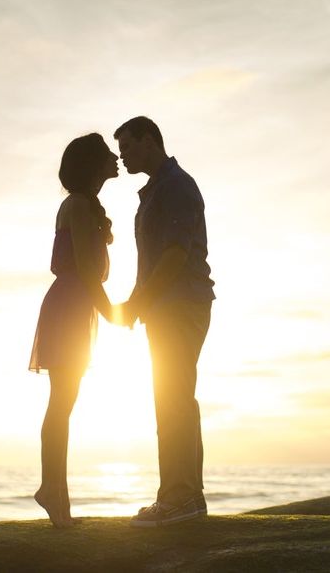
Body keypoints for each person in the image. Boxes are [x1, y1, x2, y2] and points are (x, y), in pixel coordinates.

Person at [114, 116, 215, 527]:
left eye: (128, 148)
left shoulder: (175, 186)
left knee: (174, 399)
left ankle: (179, 499)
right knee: (174, 399)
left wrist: (138, 302)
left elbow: (174, 255)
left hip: (179, 304)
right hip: (168, 305)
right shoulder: (158, 189)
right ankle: (184, 497)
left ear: (150, 140)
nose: (122, 157)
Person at [29, 133, 122, 527]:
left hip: (75, 305)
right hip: (70, 305)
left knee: (64, 402)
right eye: (107, 155)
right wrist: (115, 314)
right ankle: (53, 492)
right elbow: (86, 269)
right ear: (92, 164)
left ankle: (56, 494)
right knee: (62, 403)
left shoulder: (84, 205)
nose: (116, 158)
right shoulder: (79, 205)